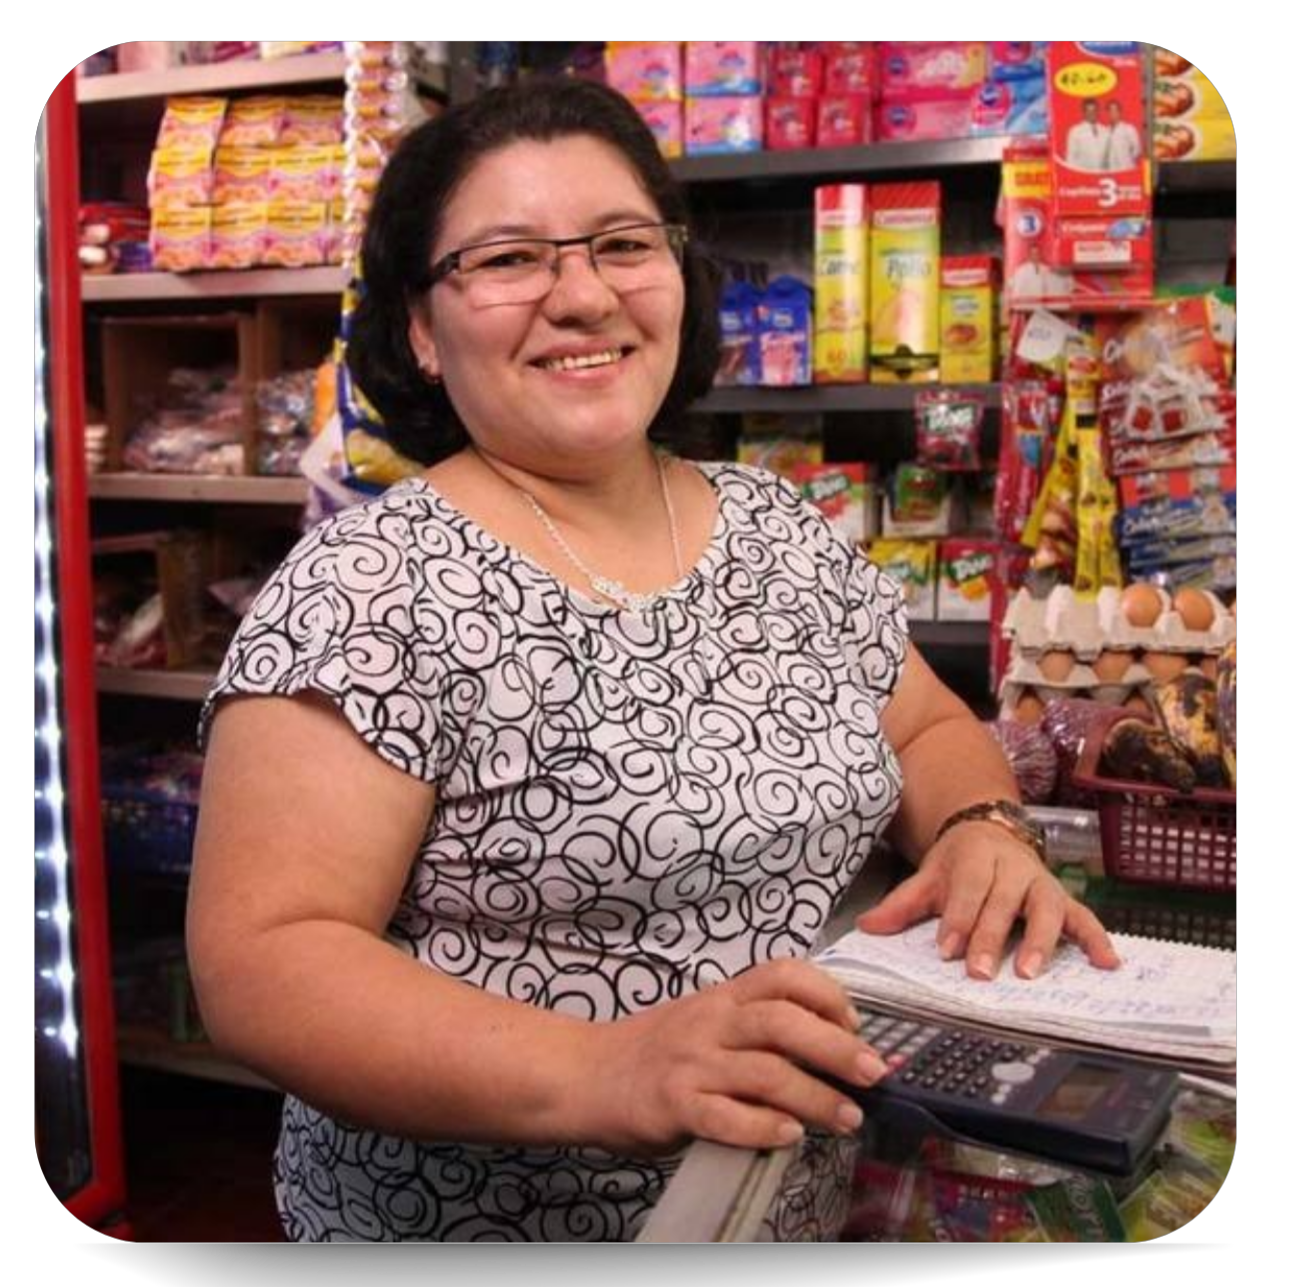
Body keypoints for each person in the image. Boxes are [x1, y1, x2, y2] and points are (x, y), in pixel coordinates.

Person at [187, 78, 1120, 1244]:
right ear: (420, 329)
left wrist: (980, 826)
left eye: (622, 244)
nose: (583, 296)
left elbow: (926, 727)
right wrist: (603, 1070)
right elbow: (265, 963)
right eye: (508, 259)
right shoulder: (367, 588)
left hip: (783, 1206)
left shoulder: (773, 527)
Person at [1065, 98, 1110, 172]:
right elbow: (1070, 158)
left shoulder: (1105, 131)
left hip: (1102, 174)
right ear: (1084, 112)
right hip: (1083, 174)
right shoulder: (1075, 131)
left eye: (1094, 110)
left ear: (1098, 111)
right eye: (1088, 111)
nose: (1092, 114)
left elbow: (1108, 157)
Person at [1105, 99, 1143, 172]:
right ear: (1108, 113)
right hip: (1111, 170)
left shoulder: (1129, 128)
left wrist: (1127, 159)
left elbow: (1137, 149)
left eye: (1115, 110)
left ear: (1119, 112)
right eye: (1110, 111)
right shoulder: (1105, 131)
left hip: (1126, 168)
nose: (1113, 113)